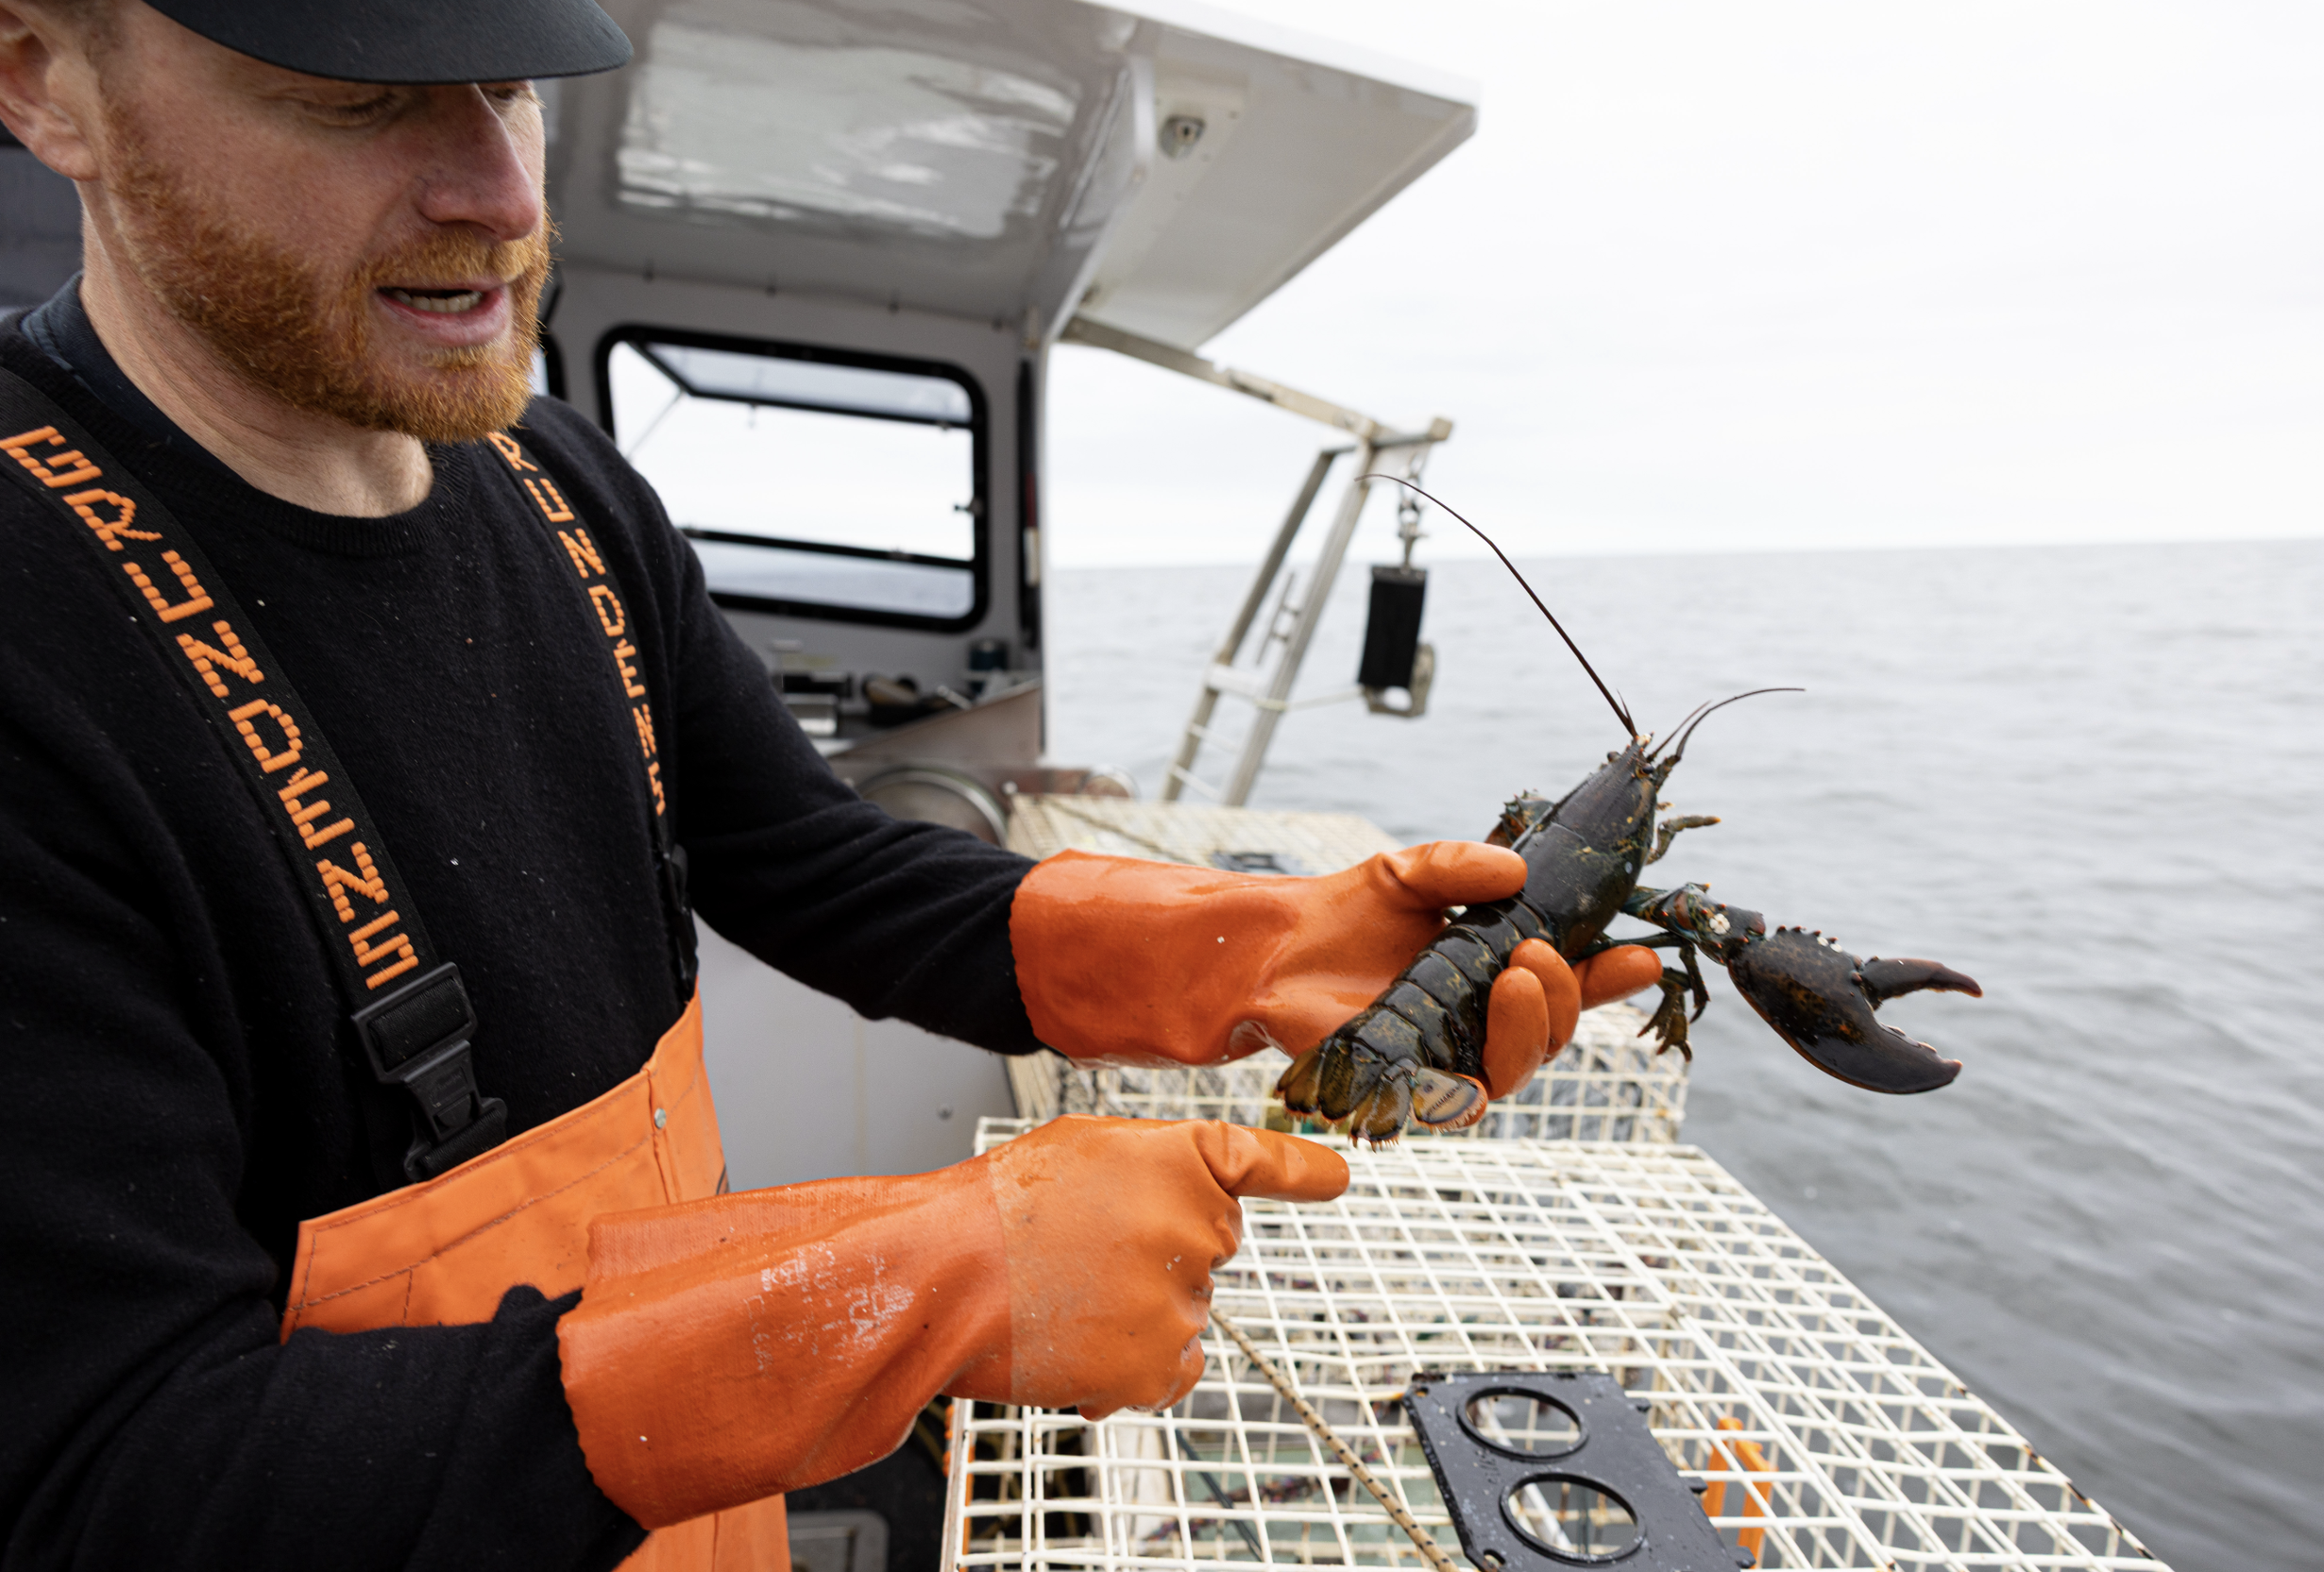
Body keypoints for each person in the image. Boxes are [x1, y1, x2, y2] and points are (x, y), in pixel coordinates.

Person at [0, 1, 1662, 1566]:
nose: (501, 191)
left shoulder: (556, 481)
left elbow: (805, 859)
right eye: (357, 99)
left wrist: (1246, 948)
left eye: (512, 86)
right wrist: (901, 1292)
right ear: (42, 77)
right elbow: (111, 1481)